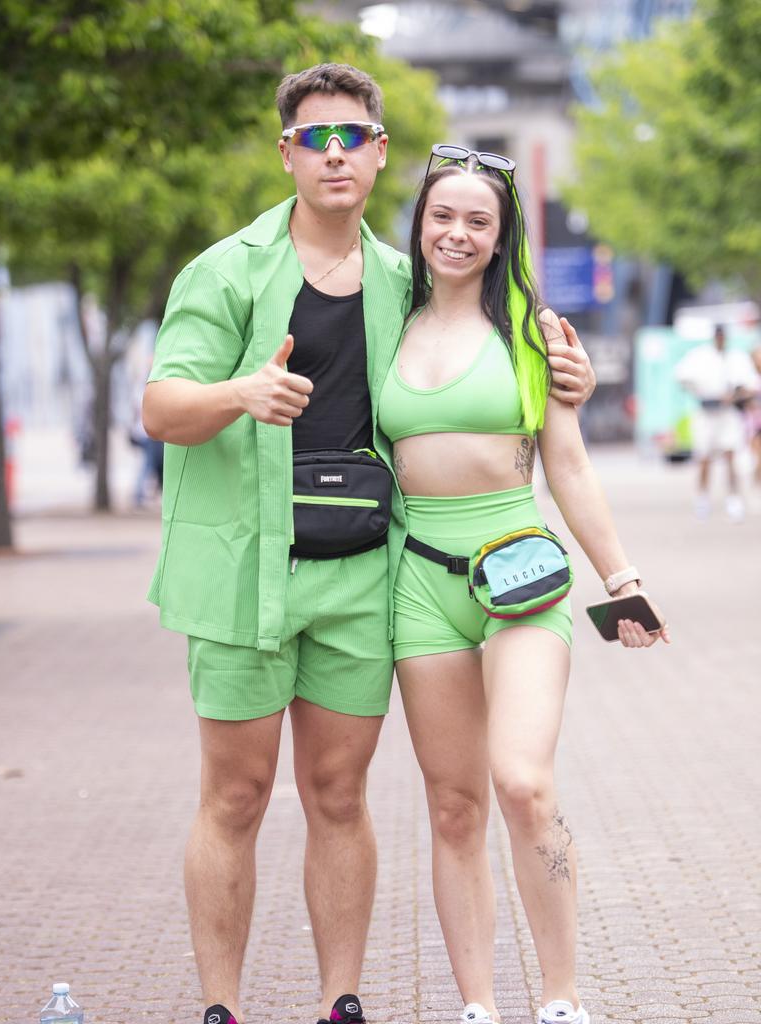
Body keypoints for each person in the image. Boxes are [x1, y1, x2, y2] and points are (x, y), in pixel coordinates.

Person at [142, 65, 596, 1024]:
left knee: (340, 793)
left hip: (361, 578)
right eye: (317, 138)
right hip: (241, 577)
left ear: (380, 150)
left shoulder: (404, 280)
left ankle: (339, 1001)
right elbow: (159, 406)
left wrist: (566, 382)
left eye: (353, 137)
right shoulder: (224, 272)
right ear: (288, 153)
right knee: (236, 796)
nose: (335, 154)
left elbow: (477, 371)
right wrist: (238, 395)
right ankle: (220, 1005)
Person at [376, 149, 671, 1024]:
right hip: (419, 581)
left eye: (478, 221)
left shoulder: (534, 332)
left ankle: (561, 999)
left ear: (502, 238)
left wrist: (621, 575)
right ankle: (477, 1006)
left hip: (521, 573)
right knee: (454, 806)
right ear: (420, 224)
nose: (457, 233)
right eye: (442, 216)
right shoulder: (385, 321)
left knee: (522, 783)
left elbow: (569, 466)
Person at [674, 324, 759, 521]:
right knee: (704, 457)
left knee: (730, 455)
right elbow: (682, 376)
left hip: (727, 412)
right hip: (706, 411)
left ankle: (733, 497)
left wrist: (734, 394)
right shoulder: (700, 356)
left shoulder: (734, 358)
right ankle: (702, 497)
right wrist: (698, 389)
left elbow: (747, 384)